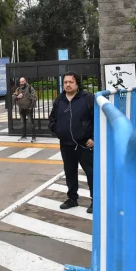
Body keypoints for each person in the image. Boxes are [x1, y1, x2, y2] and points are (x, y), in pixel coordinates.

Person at [48, 71, 94, 214]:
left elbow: (97, 120)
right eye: (65, 82)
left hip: (84, 144)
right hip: (66, 145)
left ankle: (95, 200)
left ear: (76, 83)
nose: (67, 85)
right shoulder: (59, 100)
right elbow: (52, 119)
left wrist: (94, 138)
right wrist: (57, 129)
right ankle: (72, 198)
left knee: (91, 172)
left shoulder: (87, 98)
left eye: (70, 82)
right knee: (69, 172)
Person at [12, 77, 37, 142]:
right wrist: (17, 96)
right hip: (21, 109)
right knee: (22, 123)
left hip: (28, 108)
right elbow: (13, 97)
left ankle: (33, 137)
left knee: (31, 123)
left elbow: (35, 97)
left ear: (25, 81)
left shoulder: (30, 88)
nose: (21, 83)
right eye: (20, 82)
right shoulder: (18, 89)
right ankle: (23, 136)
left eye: (23, 81)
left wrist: (27, 95)